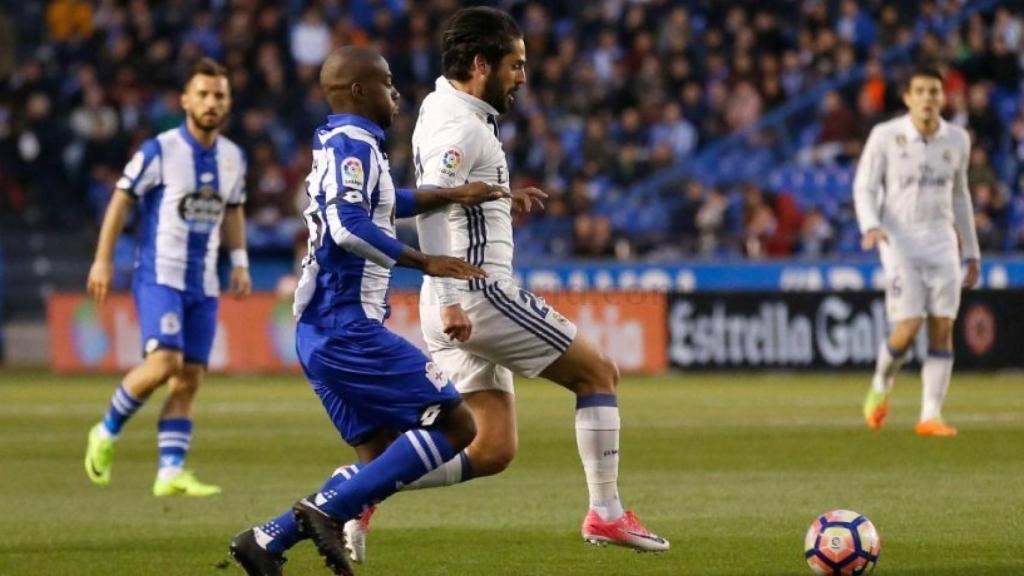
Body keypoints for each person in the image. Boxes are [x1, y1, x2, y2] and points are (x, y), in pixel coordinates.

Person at [340, 7, 669, 559]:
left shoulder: (446, 105)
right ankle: (606, 514)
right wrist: (449, 297)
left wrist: (495, 194)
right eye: (514, 65)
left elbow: (449, 192)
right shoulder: (460, 125)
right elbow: (433, 210)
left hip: (457, 298)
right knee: (598, 372)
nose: (521, 76)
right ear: (480, 63)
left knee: (490, 448)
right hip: (474, 294)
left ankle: (357, 487)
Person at [228, 46, 512, 576]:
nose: (396, 92)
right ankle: (324, 511)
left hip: (322, 330)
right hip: (345, 326)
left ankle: (265, 540)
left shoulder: (344, 143)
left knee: (380, 456)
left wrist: (450, 195)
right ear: (358, 90)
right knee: (457, 426)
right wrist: (427, 261)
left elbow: (385, 202)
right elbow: (347, 226)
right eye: (385, 82)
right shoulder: (353, 145)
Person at [83, 58, 252, 496]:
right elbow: (121, 201)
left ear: (228, 103)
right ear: (185, 100)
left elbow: (233, 209)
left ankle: (170, 471)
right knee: (164, 362)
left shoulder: (233, 157)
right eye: (203, 94)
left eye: (219, 95)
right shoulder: (159, 150)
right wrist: (102, 260)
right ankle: (106, 430)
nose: (211, 102)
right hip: (160, 274)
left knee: (190, 377)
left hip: (204, 282)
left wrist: (240, 261)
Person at [854, 65, 980, 437]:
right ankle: (881, 383)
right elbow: (864, 186)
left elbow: (960, 196)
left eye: (934, 92)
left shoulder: (957, 139)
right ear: (907, 97)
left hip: (942, 242)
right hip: (899, 242)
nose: (928, 98)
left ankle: (930, 415)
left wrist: (971, 250)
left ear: (943, 98)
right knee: (908, 328)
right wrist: (871, 225)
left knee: (943, 326)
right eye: (921, 91)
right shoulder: (885, 136)